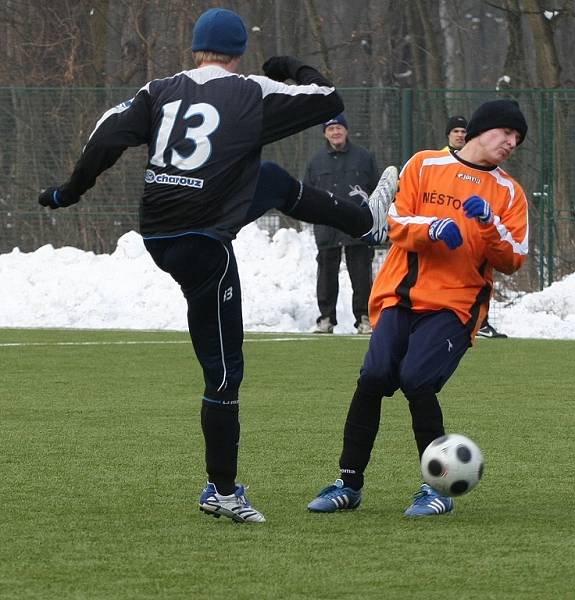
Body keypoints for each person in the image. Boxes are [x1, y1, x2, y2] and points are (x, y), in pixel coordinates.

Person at [37, 7, 398, 524]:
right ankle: (222, 492)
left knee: (270, 179)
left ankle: (364, 222)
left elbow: (106, 135)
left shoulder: (158, 90)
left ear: (195, 49)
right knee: (225, 375)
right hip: (205, 242)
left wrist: (69, 191)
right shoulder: (249, 90)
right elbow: (328, 99)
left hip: (161, 233)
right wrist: (290, 65)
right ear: (237, 54)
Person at [307, 99, 529, 517]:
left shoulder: (508, 192)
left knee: (416, 379)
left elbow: (514, 256)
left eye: (517, 139)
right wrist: (431, 228)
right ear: (483, 129)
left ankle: (438, 491)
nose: (512, 143)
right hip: (400, 295)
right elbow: (394, 222)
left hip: (456, 305)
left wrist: (488, 224)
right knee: (372, 377)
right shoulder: (424, 165)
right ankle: (348, 483)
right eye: (507, 133)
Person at [305, 114, 379, 335]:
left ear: (346, 130)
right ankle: (326, 318)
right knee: (326, 277)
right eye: (330, 129)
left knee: (361, 275)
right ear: (325, 133)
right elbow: (307, 193)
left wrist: (373, 220)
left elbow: (377, 190)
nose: (335, 132)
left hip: (358, 227)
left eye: (339, 128)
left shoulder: (365, 158)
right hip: (327, 228)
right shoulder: (315, 161)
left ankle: (364, 318)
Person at [443, 115, 508, 340]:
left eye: (463, 131)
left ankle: (480, 321)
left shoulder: (490, 172)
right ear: (448, 135)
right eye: (456, 131)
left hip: (474, 238)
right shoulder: (435, 162)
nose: (460, 135)